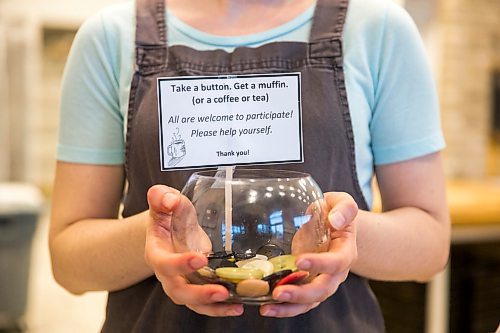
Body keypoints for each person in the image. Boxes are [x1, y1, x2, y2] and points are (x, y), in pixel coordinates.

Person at [49, 0, 451, 331]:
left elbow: (429, 244)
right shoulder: (110, 38)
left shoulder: (377, 29)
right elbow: (70, 262)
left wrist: (338, 233)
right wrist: (162, 233)